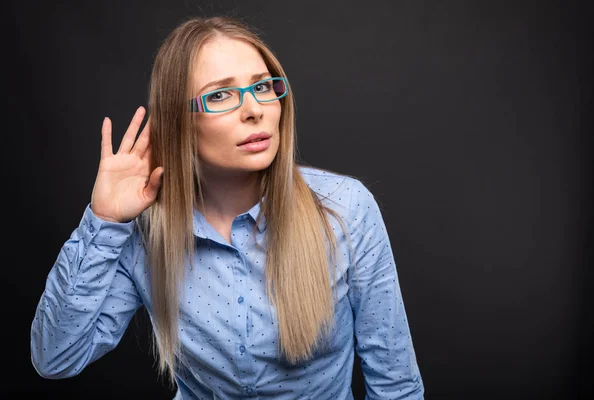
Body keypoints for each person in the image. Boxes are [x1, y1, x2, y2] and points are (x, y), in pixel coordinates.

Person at [30, 15, 425, 399]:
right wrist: (103, 222)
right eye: (220, 94)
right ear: (178, 119)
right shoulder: (144, 231)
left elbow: (396, 385)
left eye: (264, 87)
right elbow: (56, 358)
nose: (254, 109)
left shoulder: (346, 208)